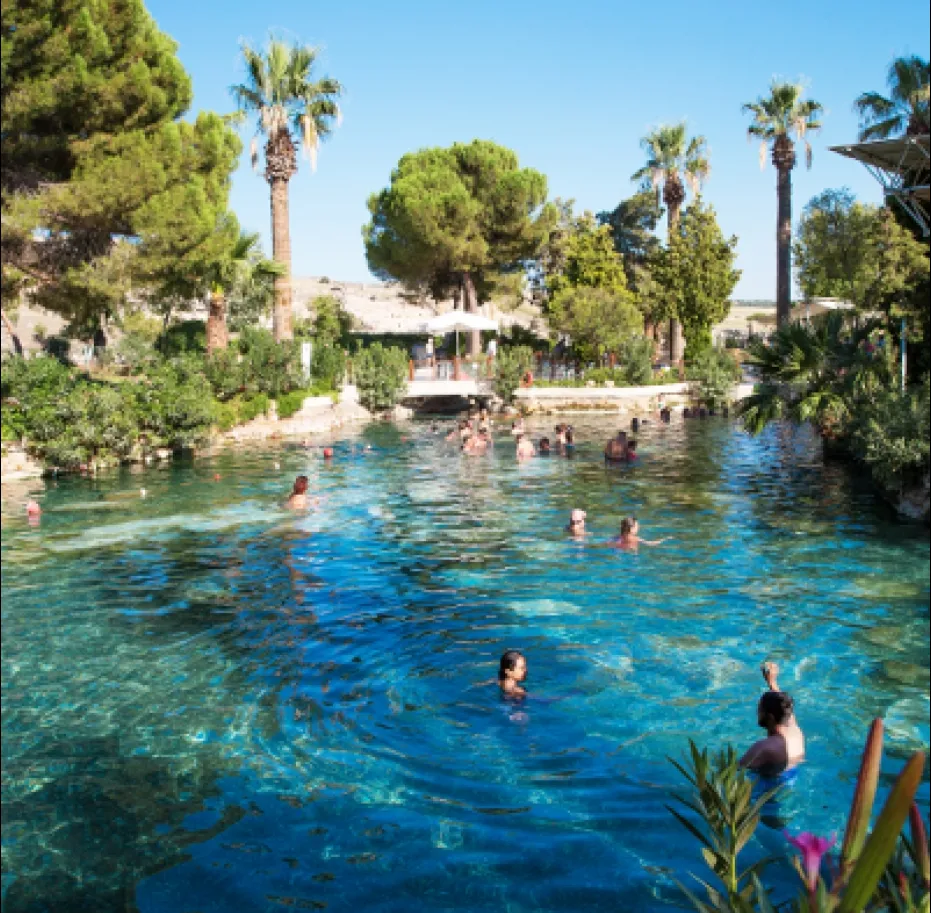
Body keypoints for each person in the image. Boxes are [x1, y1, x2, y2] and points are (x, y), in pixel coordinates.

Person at [739, 662, 805, 777]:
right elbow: (786, 707)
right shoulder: (796, 733)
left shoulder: (764, 748)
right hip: (791, 777)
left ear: (770, 717)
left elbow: (732, 771)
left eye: (760, 710)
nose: (757, 713)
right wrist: (772, 682)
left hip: (768, 787)